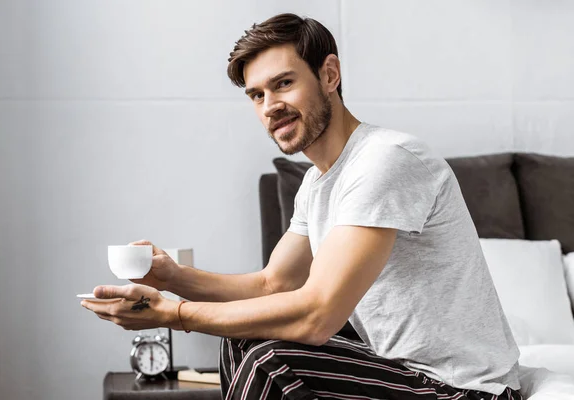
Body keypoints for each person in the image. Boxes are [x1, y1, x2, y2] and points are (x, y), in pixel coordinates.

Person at [82, 13, 523, 400]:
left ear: (329, 74)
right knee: (241, 338)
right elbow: (273, 285)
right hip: (400, 374)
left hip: (464, 390)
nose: (271, 106)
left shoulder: (385, 159)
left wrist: (173, 314)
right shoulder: (316, 182)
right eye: (257, 95)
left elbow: (317, 315)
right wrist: (173, 278)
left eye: (284, 83)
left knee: (268, 357)